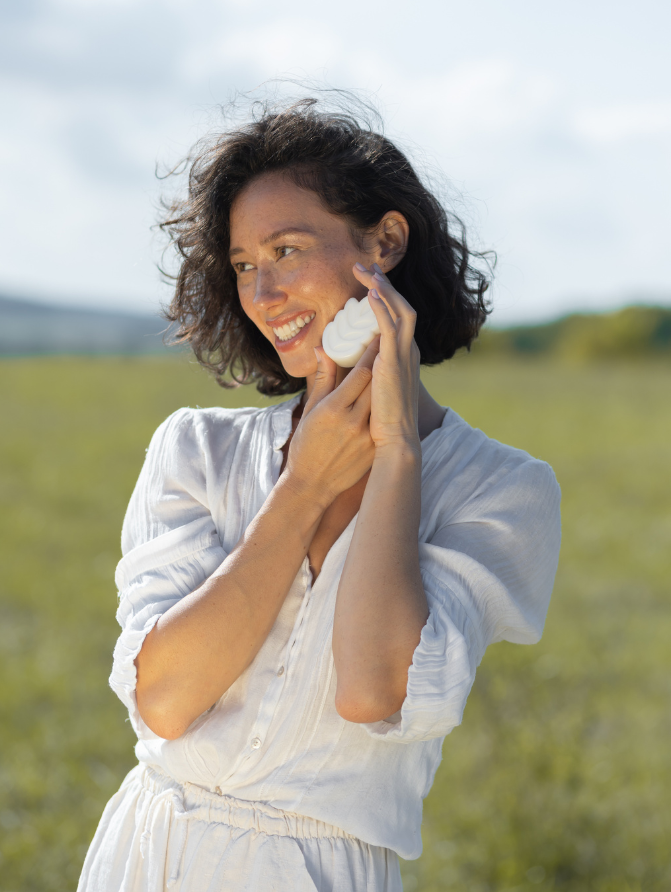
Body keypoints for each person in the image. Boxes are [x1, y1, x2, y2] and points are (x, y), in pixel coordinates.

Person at [78, 96, 561, 892]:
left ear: (386, 242)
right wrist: (302, 488)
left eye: (287, 250)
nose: (263, 294)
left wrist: (397, 452)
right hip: (149, 858)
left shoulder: (503, 491)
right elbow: (165, 700)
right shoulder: (196, 448)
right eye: (242, 265)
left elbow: (373, 690)